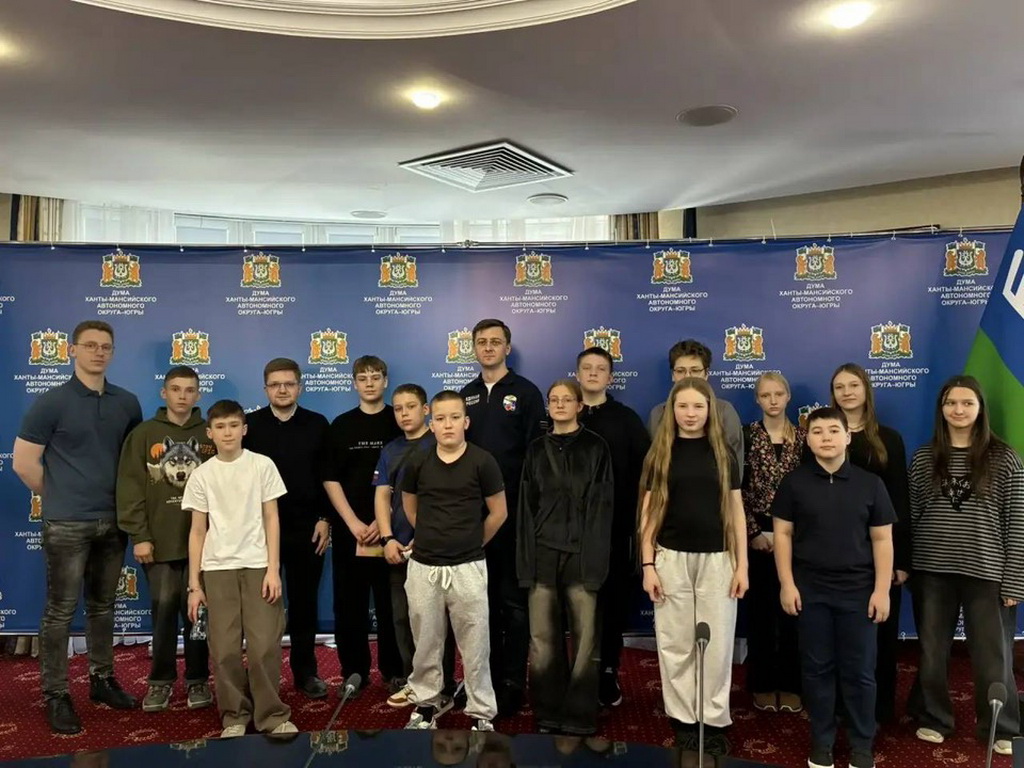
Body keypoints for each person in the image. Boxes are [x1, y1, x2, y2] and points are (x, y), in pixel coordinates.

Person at [13, 320, 143, 734]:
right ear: (72, 350)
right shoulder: (51, 402)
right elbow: (23, 463)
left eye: (106, 346)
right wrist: (61, 495)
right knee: (60, 611)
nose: (98, 352)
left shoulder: (128, 403)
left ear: (112, 352)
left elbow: (132, 463)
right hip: (67, 523)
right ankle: (56, 694)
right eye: (90, 345)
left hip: (114, 521)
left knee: (104, 607)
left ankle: (102, 680)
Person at [772, 406, 895, 768]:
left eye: (833, 431)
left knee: (860, 672)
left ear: (848, 436)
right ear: (807, 440)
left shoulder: (870, 484)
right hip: (811, 591)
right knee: (817, 670)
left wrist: (882, 590)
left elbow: (882, 540)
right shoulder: (793, 483)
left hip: (859, 592)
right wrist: (787, 584)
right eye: (817, 432)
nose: (826, 438)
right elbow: (783, 534)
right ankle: (822, 741)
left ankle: (861, 744)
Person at [909, 375, 1023, 756]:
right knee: (932, 652)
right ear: (941, 409)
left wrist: (1015, 580)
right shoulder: (924, 458)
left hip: (987, 574)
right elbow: (912, 515)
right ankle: (934, 718)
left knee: (994, 657)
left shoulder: (1004, 458)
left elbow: (1018, 522)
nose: (958, 410)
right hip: (932, 571)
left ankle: (1001, 725)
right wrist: (909, 567)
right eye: (951, 403)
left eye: (967, 403)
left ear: (980, 409)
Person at [639, 377, 748, 759]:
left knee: (716, 644)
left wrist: (742, 566)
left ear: (709, 410)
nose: (690, 414)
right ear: (672, 410)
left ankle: (713, 721)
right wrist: (648, 564)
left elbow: (735, 511)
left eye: (698, 406)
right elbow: (649, 514)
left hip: (719, 559)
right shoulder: (660, 453)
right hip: (670, 558)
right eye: (682, 406)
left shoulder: (723, 453)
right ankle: (684, 721)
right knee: (675, 643)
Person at [183, 400, 296, 738]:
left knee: (264, 647)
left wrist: (273, 569)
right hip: (217, 569)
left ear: (244, 429)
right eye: (220, 427)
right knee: (224, 649)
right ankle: (234, 715)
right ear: (210, 433)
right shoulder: (202, 475)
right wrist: (195, 585)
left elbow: (272, 518)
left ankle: (272, 715)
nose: (228, 433)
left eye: (234, 425)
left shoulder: (262, 465)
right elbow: (197, 531)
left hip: (259, 565)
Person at [402, 390, 507, 732]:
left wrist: (472, 542)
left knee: (476, 644)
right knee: (426, 642)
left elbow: (498, 512)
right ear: (431, 424)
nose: (448, 425)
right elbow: (410, 506)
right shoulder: (418, 460)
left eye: (454, 418)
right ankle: (426, 705)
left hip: (468, 567)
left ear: (466, 421)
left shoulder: (483, 461)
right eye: (440, 419)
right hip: (424, 566)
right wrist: (431, 536)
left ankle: (481, 712)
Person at [116, 365, 215, 713]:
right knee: (163, 614)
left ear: (198, 394)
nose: (182, 396)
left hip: (206, 544)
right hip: (158, 544)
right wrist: (139, 536)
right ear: (164, 393)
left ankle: (198, 678)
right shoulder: (144, 434)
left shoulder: (211, 432)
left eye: (189, 390)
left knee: (199, 615)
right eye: (175, 389)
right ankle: (160, 681)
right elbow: (130, 487)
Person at [517, 378, 613, 735]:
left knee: (586, 640)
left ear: (579, 406)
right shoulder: (535, 450)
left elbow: (602, 506)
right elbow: (525, 508)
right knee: (542, 640)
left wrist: (595, 562)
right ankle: (547, 711)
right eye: (553, 399)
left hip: (583, 556)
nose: (559, 404)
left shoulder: (596, 447)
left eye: (566, 399)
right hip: (542, 554)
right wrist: (526, 563)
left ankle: (580, 714)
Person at [460, 319, 546, 715]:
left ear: (508, 348)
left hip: (513, 515)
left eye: (496, 341)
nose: (489, 347)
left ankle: (511, 681)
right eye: (482, 342)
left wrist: (527, 507)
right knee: (479, 602)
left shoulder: (526, 393)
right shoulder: (466, 395)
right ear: (474, 348)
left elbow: (537, 454)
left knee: (512, 601)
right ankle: (481, 680)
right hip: (473, 517)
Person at [244, 358, 332, 699]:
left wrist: (325, 518)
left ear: (300, 387)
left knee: (304, 604)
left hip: (307, 528)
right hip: (257, 531)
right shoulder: (250, 426)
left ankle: (305, 672)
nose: (282, 389)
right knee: (260, 608)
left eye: (289, 384)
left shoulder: (317, 424)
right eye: (275, 384)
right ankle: (261, 676)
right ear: (265, 388)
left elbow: (327, 476)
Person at [830, 363, 910, 724]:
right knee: (839, 639)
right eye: (839, 387)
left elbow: (900, 500)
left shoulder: (889, 439)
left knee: (880, 637)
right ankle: (839, 711)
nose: (847, 392)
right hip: (835, 554)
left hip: (881, 554)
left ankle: (878, 713)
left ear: (866, 390)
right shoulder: (824, 435)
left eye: (853, 385)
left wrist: (901, 560)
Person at [373, 383, 459, 709]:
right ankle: (415, 682)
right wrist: (387, 538)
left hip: (435, 549)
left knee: (437, 623)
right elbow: (382, 495)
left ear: (425, 411)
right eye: (398, 409)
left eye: (410, 407)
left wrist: (424, 536)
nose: (404, 414)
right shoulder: (391, 450)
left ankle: (443, 685)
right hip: (398, 549)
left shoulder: (440, 444)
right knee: (403, 619)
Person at [323, 355, 403, 693]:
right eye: (363, 378)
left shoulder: (399, 421)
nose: (369, 383)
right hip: (351, 531)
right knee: (349, 605)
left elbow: (408, 479)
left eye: (375, 377)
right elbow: (330, 478)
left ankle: (395, 670)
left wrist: (381, 522)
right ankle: (353, 671)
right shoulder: (341, 425)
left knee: (391, 604)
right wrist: (354, 522)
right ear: (354, 383)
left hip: (391, 531)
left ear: (385, 381)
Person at [576, 346, 650, 707]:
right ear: (577, 374)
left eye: (600, 368)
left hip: (615, 529)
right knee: (573, 606)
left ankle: (607, 671)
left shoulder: (627, 420)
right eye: (587, 368)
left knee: (611, 604)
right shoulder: (562, 414)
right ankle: (576, 674)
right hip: (569, 533)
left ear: (610, 377)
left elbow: (646, 475)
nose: (593, 373)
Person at [741, 372, 806, 714]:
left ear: (788, 396)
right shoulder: (746, 436)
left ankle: (793, 684)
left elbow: (812, 489)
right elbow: (736, 488)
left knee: (794, 613)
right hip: (757, 537)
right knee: (761, 615)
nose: (773, 400)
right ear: (757, 399)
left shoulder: (805, 437)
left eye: (779, 393)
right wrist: (753, 532)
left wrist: (796, 533)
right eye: (766, 395)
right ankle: (763, 683)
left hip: (796, 536)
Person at [646, 339, 743, 470]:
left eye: (695, 370)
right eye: (680, 371)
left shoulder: (725, 412)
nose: (688, 377)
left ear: (706, 374)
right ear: (673, 375)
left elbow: (734, 468)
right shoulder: (658, 414)